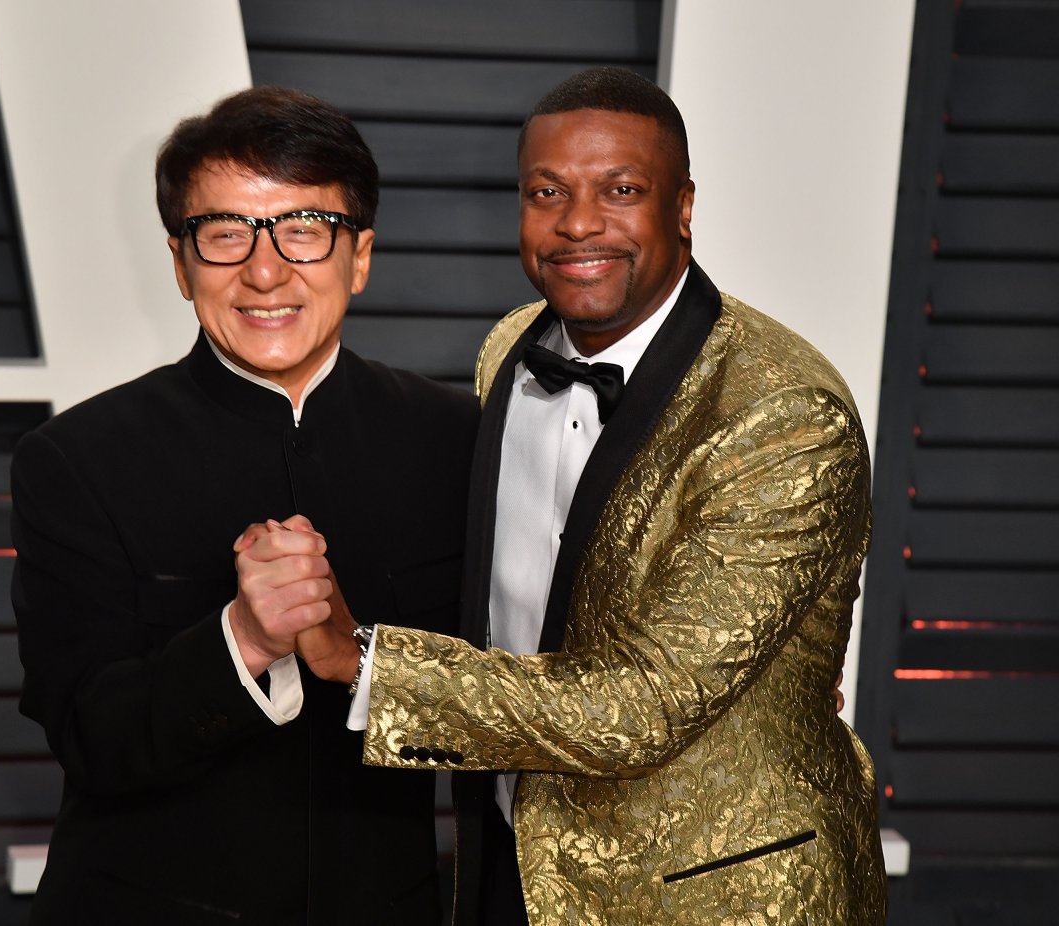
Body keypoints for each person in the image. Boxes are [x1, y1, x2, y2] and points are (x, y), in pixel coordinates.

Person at [287, 67, 887, 925]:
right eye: (547, 191)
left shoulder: (780, 410)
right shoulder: (510, 348)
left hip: (712, 892)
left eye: (621, 190)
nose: (576, 223)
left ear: (681, 207)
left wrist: (365, 663)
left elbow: (641, 707)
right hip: (511, 861)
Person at [9, 86, 478, 924]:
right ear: (181, 263)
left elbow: (502, 700)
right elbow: (90, 734)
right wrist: (245, 640)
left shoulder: (458, 440)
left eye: (304, 229)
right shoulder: (77, 459)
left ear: (360, 256)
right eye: (225, 234)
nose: (265, 272)